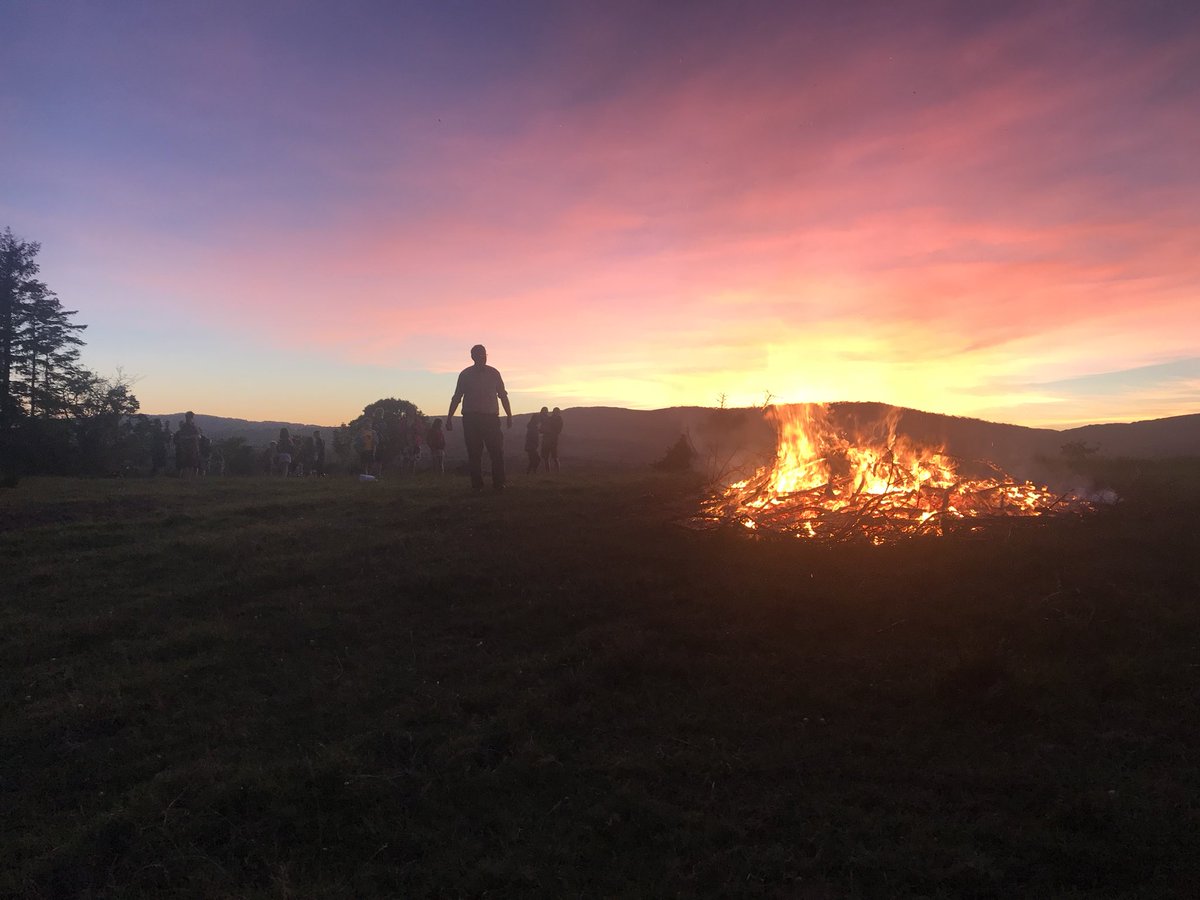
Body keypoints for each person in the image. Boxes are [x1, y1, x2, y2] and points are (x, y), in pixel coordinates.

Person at [447, 344, 512, 492]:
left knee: (496, 451)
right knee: (474, 452)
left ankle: (499, 483)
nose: (481, 357)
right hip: (472, 418)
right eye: (478, 354)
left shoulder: (494, 373)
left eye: (483, 354)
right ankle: (478, 485)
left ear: (485, 355)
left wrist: (509, 414)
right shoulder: (465, 375)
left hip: (490, 418)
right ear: (472, 356)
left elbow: (503, 395)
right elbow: (457, 397)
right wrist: (449, 417)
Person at [177, 412, 201, 477]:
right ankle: (184, 477)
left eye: (191, 417)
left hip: (193, 448)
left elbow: (199, 436)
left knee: (193, 463)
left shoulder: (194, 427)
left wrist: (194, 437)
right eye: (189, 417)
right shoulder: (184, 427)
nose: (190, 418)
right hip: (186, 448)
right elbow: (181, 437)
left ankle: (192, 477)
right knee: (185, 463)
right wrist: (189, 438)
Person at [541, 407, 563, 472]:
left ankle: (556, 471)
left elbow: (557, 430)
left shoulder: (557, 420)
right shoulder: (555, 419)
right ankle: (553, 472)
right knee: (548, 457)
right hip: (550, 440)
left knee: (553, 457)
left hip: (552, 440)